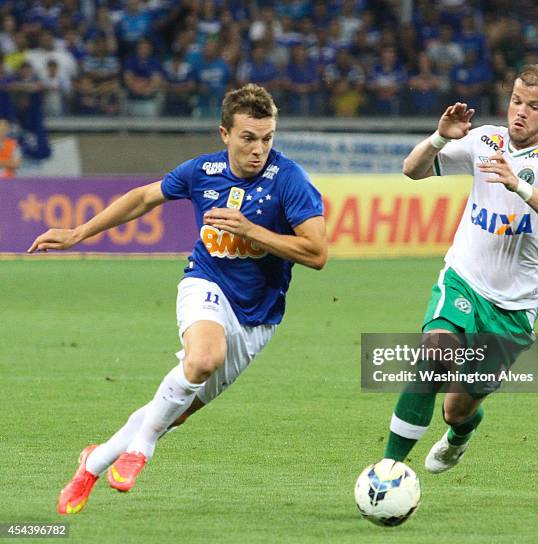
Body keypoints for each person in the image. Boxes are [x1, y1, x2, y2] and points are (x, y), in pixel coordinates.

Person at [28, 84, 328, 514]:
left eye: (267, 138)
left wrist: (251, 231)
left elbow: (317, 253)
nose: (258, 149)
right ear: (224, 134)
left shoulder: (290, 180)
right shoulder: (201, 171)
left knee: (174, 410)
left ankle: (92, 464)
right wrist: (78, 233)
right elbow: (143, 197)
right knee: (203, 358)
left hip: (258, 318)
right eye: (248, 138)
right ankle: (141, 451)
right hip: (205, 283)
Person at [381, 65, 538, 473]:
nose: (520, 113)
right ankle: (388, 471)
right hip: (465, 279)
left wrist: (519, 185)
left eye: (534, 106)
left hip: (513, 308)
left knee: (457, 409)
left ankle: (459, 435)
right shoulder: (485, 139)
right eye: (516, 101)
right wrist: (439, 138)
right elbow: (412, 169)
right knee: (435, 353)